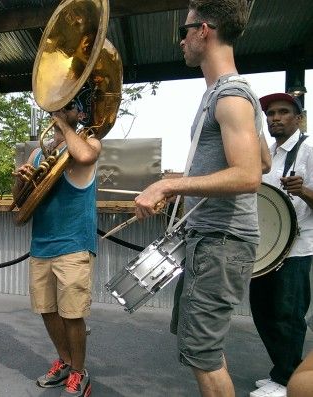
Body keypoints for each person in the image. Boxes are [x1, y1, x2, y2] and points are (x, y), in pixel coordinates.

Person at [134, 1, 264, 396]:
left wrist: (169, 186)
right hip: (209, 241)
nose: (181, 41)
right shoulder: (224, 95)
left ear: (203, 31)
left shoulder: (231, 96)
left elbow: (249, 174)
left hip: (220, 244)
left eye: (184, 31)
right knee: (201, 351)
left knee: (203, 356)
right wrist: (180, 178)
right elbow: (264, 157)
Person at [12, 87, 100, 397]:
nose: (59, 112)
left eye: (68, 108)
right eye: (56, 108)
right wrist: (21, 179)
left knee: (72, 314)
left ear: (80, 114)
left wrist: (63, 126)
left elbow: (85, 155)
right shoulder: (39, 152)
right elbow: (19, 202)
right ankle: (64, 362)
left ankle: (80, 371)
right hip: (42, 244)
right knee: (47, 310)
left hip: (74, 243)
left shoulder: (89, 142)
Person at [249, 93, 312, 397]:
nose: (275, 118)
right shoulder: (268, 154)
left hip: (298, 248)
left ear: (298, 118)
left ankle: (288, 381)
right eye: (271, 113)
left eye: (283, 112)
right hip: (267, 251)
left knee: (287, 316)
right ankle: (282, 370)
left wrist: (305, 191)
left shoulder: (309, 150)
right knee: (262, 310)